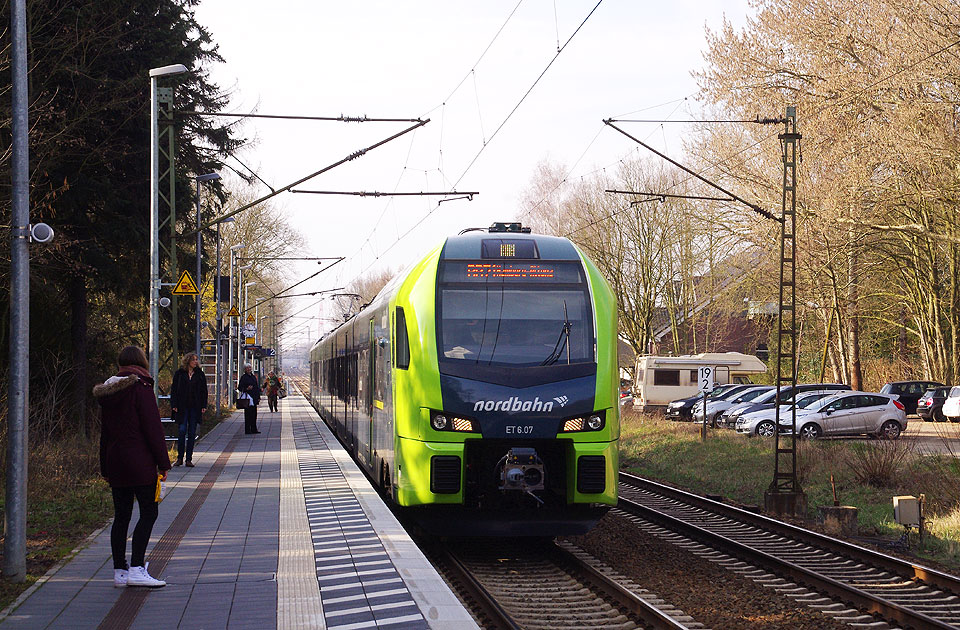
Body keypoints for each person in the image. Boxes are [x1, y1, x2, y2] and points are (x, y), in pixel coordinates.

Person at [94, 345, 170, 588]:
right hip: (140, 461)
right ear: (141, 363)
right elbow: (153, 428)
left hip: (116, 462)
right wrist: (163, 462)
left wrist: (105, 466)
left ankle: (120, 572)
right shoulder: (141, 388)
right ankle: (137, 567)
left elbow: (104, 434)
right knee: (149, 512)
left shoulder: (108, 393)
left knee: (122, 516)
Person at [170, 352, 207, 467]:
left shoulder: (199, 374)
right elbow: (174, 390)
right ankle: (180, 457)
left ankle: (189, 459)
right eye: (194, 360)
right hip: (182, 406)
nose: (196, 362)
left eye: (197, 360)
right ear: (188, 361)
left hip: (195, 407)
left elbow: (203, 391)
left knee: (192, 432)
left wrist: (204, 405)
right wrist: (174, 404)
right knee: (181, 430)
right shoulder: (179, 374)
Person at [238, 364, 261, 434]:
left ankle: (254, 429)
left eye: (250, 367)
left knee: (254, 414)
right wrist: (246, 389)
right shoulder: (243, 377)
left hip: (253, 397)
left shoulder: (253, 377)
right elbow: (239, 388)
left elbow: (256, 387)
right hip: (247, 398)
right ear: (245, 369)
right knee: (248, 414)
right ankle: (247, 430)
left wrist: (258, 397)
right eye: (247, 368)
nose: (249, 369)